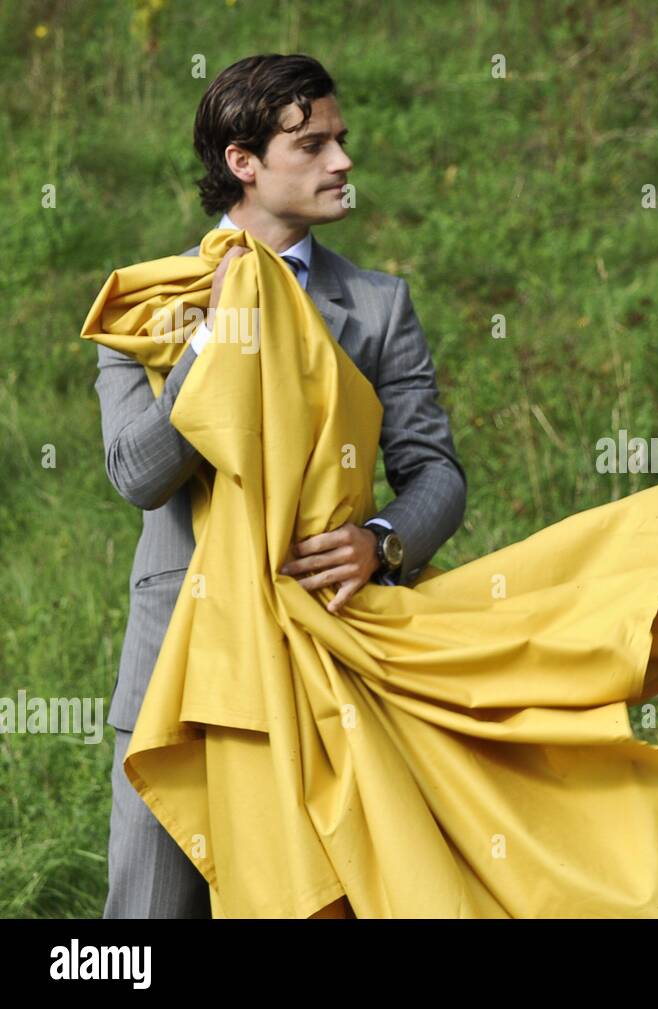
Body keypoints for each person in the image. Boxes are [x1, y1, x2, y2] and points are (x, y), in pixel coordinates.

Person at [95, 53, 466, 918]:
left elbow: (435, 471)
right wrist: (217, 338)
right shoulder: (149, 305)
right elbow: (140, 475)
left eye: (341, 140)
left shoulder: (377, 306)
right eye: (312, 144)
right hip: (176, 671)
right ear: (242, 161)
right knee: (147, 921)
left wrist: (382, 541)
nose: (342, 162)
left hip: (327, 656)